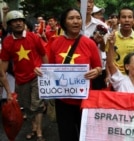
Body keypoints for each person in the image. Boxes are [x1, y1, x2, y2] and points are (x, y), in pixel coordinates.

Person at [40, 8, 102, 141]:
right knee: (66, 135)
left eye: (78, 18)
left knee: (85, 135)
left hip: (85, 100)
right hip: (63, 101)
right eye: (71, 18)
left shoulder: (89, 43)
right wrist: (41, 72)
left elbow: (98, 67)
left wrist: (96, 71)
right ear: (64, 22)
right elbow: (50, 69)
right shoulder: (55, 43)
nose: (76, 21)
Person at [0, 10, 48, 141]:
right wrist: (8, 92)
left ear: (24, 22)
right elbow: (2, 70)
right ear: (10, 25)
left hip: (36, 76)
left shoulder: (34, 37)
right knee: (27, 107)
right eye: (14, 21)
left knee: (36, 105)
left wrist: (47, 72)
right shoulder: (7, 42)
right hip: (20, 79)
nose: (18, 23)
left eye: (20, 20)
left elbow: (44, 55)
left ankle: (39, 132)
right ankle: (33, 128)